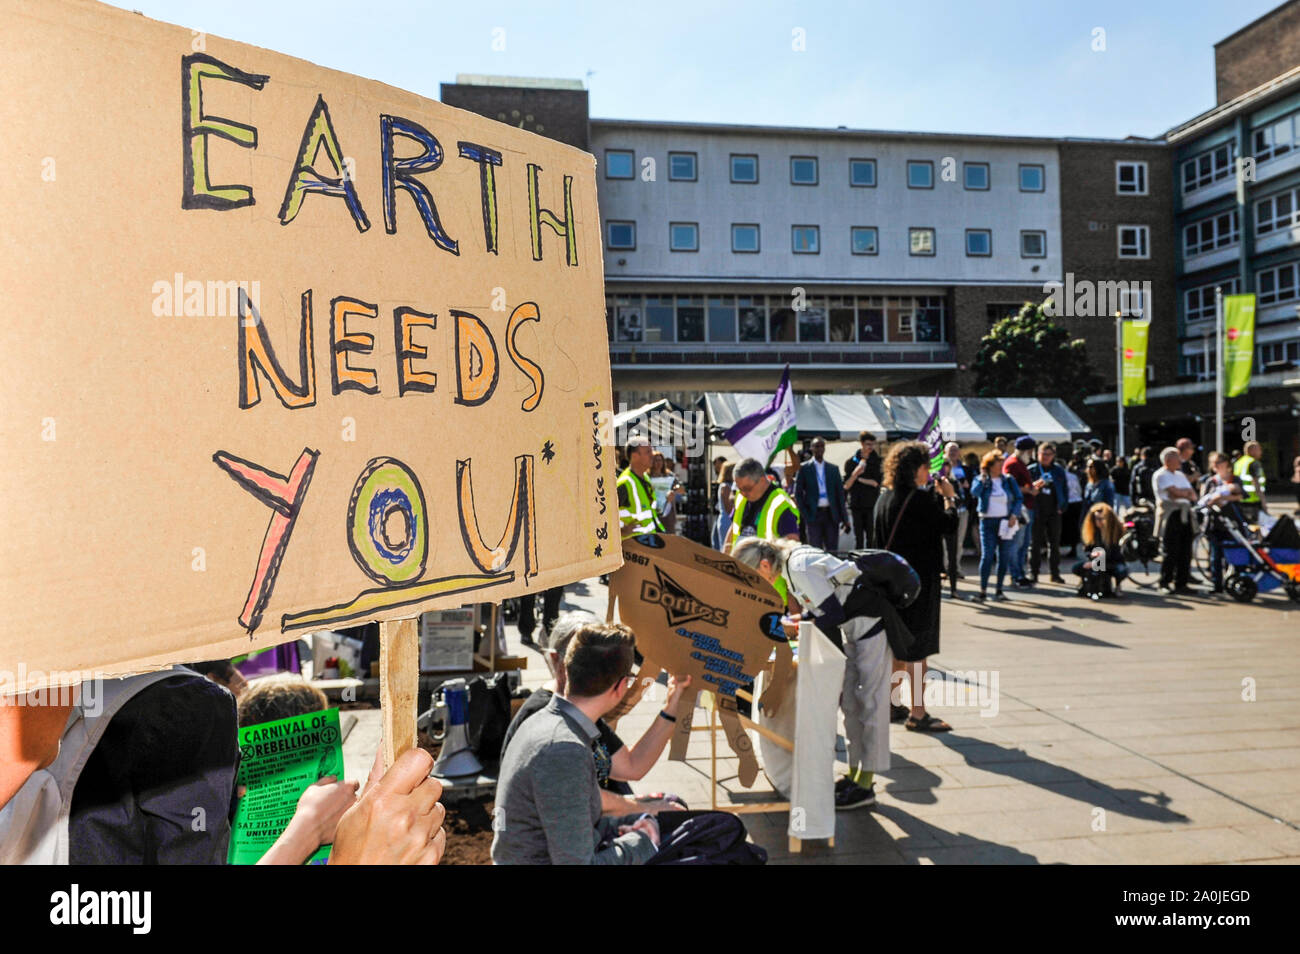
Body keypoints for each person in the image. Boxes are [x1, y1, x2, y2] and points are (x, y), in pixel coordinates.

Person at [732, 537, 919, 810]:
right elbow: (823, 608)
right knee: (853, 707)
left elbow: (830, 613)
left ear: (763, 564)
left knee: (871, 705)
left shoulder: (799, 567)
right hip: (858, 629)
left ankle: (865, 784)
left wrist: (796, 626)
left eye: (754, 577)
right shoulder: (793, 564)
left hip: (871, 627)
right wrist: (796, 621)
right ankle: (856, 776)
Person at [492, 622, 663, 865]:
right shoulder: (564, 749)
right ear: (621, 686)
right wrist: (644, 841)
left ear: (565, 670)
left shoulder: (547, 721)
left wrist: (630, 823)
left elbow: (572, 825)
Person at [506, 611, 690, 814]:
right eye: (580, 656)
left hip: (589, 818)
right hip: (572, 829)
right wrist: (644, 808)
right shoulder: (549, 718)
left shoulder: (579, 708)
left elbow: (631, 766)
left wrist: (672, 705)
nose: (592, 667)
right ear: (556, 660)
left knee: (676, 806)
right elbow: (578, 800)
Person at [873, 440, 959, 732]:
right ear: (916, 470)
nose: (929, 471)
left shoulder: (883, 499)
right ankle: (918, 713)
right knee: (917, 650)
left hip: (889, 585)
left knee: (897, 648)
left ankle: (892, 702)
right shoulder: (918, 500)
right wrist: (949, 498)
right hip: (917, 584)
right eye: (926, 466)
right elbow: (947, 525)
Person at [970, 450, 1023, 602]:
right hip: (987, 522)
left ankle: (999, 589)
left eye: (1001, 464)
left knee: (1004, 556)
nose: (1000, 467)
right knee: (987, 556)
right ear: (989, 466)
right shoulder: (981, 479)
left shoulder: (1007, 480)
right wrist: (983, 479)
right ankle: (983, 590)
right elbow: (975, 492)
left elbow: (1018, 497)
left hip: (1005, 521)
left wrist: (1014, 514)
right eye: (997, 464)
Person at [725, 458, 801, 555]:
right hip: (740, 565)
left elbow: (792, 544)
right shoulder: (741, 497)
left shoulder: (781, 503)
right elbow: (733, 528)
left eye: (747, 488)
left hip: (765, 568)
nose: (743, 493)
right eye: (740, 489)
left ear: (762, 480)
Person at [1198, 451, 1246, 595]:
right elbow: (1204, 501)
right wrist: (1215, 500)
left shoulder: (1234, 478)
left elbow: (1240, 496)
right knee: (1215, 556)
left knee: (1236, 553)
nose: (1216, 465)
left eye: (1219, 462)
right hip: (1215, 523)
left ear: (1226, 463)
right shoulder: (1210, 481)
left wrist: (1222, 498)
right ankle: (1217, 585)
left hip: (1233, 522)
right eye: (1214, 463)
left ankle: (1239, 582)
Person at [1155, 446, 1199, 594]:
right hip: (1171, 514)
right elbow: (1173, 493)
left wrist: (1183, 494)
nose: (1180, 461)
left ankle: (1182, 583)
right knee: (1170, 550)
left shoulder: (1180, 475)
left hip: (1185, 514)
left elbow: (1192, 495)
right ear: (1168, 460)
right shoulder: (1161, 475)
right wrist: (1183, 493)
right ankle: (1165, 582)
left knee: (1186, 550)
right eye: (1176, 458)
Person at [794, 437, 850, 550]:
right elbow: (798, 494)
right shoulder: (804, 468)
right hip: (813, 514)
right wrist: (805, 514)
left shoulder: (833, 469)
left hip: (831, 514)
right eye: (816, 446)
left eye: (821, 446)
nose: (819, 449)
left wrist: (845, 518)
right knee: (815, 550)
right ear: (811, 448)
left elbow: (840, 495)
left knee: (832, 549)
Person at [1028, 441, 1068, 584]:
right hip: (1037, 511)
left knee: (1054, 544)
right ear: (1037, 454)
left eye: (1048, 454)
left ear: (1053, 456)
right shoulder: (1032, 470)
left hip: (1054, 511)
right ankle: (1033, 573)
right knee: (1035, 544)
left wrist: (1062, 506)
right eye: (1043, 454)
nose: (1045, 457)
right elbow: (1027, 489)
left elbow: (1064, 489)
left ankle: (1055, 573)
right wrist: (1037, 483)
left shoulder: (1058, 470)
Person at [1003, 436, 1039, 587]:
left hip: (1026, 507)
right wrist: (1029, 490)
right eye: (1030, 451)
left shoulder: (1020, 463)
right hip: (1019, 509)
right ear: (1025, 450)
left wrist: (1032, 487)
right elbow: (1008, 487)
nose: (1031, 455)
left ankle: (1020, 573)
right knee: (1017, 544)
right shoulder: (1012, 464)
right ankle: (1016, 574)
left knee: (1023, 544)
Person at [1074, 503, 1128, 598]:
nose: (1098, 522)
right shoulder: (1093, 531)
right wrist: (1091, 556)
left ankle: (1117, 585)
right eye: (1095, 519)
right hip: (1097, 561)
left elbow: (1116, 554)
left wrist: (1099, 559)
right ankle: (1086, 584)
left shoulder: (1116, 531)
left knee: (1120, 571)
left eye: (1101, 519)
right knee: (1077, 567)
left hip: (1112, 562)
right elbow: (1088, 549)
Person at [616, 435, 666, 538]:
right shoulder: (625, 483)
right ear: (634, 456)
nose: (652, 455)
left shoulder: (645, 478)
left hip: (648, 543)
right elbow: (604, 516)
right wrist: (621, 531)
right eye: (648, 452)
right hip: (633, 547)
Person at [939, 442, 971, 598]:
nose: (953, 453)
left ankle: (955, 568)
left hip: (962, 510)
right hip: (946, 512)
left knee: (959, 542)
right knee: (945, 544)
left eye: (955, 450)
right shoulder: (939, 476)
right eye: (950, 450)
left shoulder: (963, 469)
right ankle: (945, 569)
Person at [843, 431, 883, 548]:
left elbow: (876, 483)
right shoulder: (851, 462)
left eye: (872, 444)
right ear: (862, 444)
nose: (870, 447)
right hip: (856, 504)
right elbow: (846, 485)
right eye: (868, 444)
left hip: (871, 504)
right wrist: (855, 474)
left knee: (871, 537)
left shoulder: (877, 461)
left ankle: (870, 562)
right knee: (858, 538)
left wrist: (859, 479)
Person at [1234, 441, 1269, 522]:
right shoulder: (1254, 462)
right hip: (1253, 501)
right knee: (1258, 527)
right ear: (1252, 451)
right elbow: (1256, 483)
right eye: (1259, 449)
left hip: (1240, 500)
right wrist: (1263, 503)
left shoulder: (1239, 462)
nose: (1261, 452)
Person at [713, 461, 735, 551]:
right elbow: (728, 508)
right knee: (726, 546)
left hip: (727, 519)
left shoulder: (731, 486)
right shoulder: (725, 487)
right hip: (727, 520)